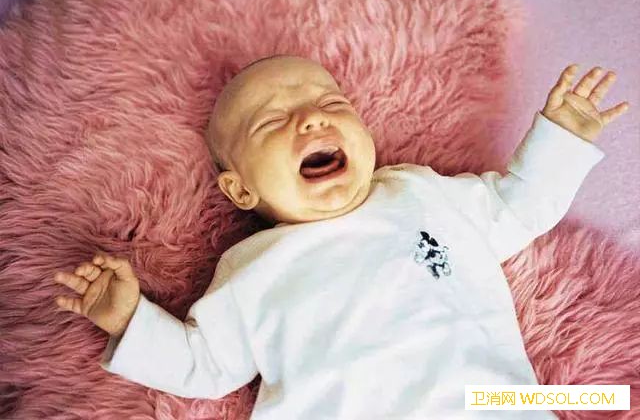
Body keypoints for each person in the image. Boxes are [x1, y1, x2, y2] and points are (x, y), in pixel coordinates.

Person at [53, 55, 630, 419]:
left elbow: (517, 207)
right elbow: (205, 365)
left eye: (331, 104)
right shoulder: (251, 268)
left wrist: (562, 137)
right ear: (240, 190)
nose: (312, 120)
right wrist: (128, 318)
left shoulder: (420, 193)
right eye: (272, 122)